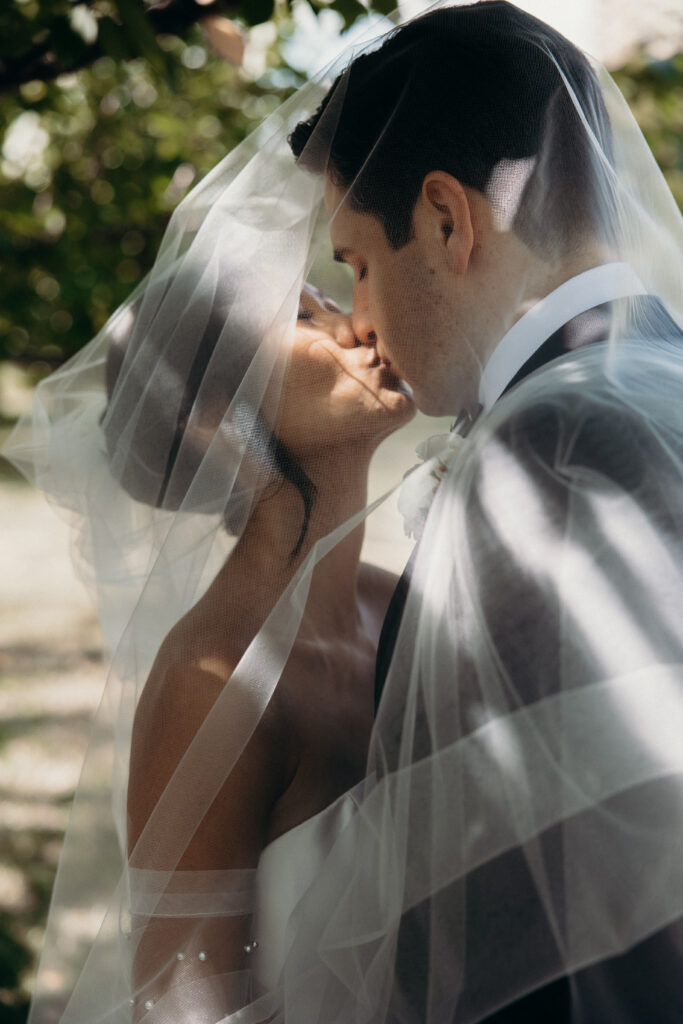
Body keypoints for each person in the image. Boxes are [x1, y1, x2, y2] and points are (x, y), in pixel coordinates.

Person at [281, 2, 683, 1022]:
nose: (358, 314)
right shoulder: (652, 378)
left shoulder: (546, 450)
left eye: (357, 263)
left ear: (446, 218)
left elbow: (539, 914)